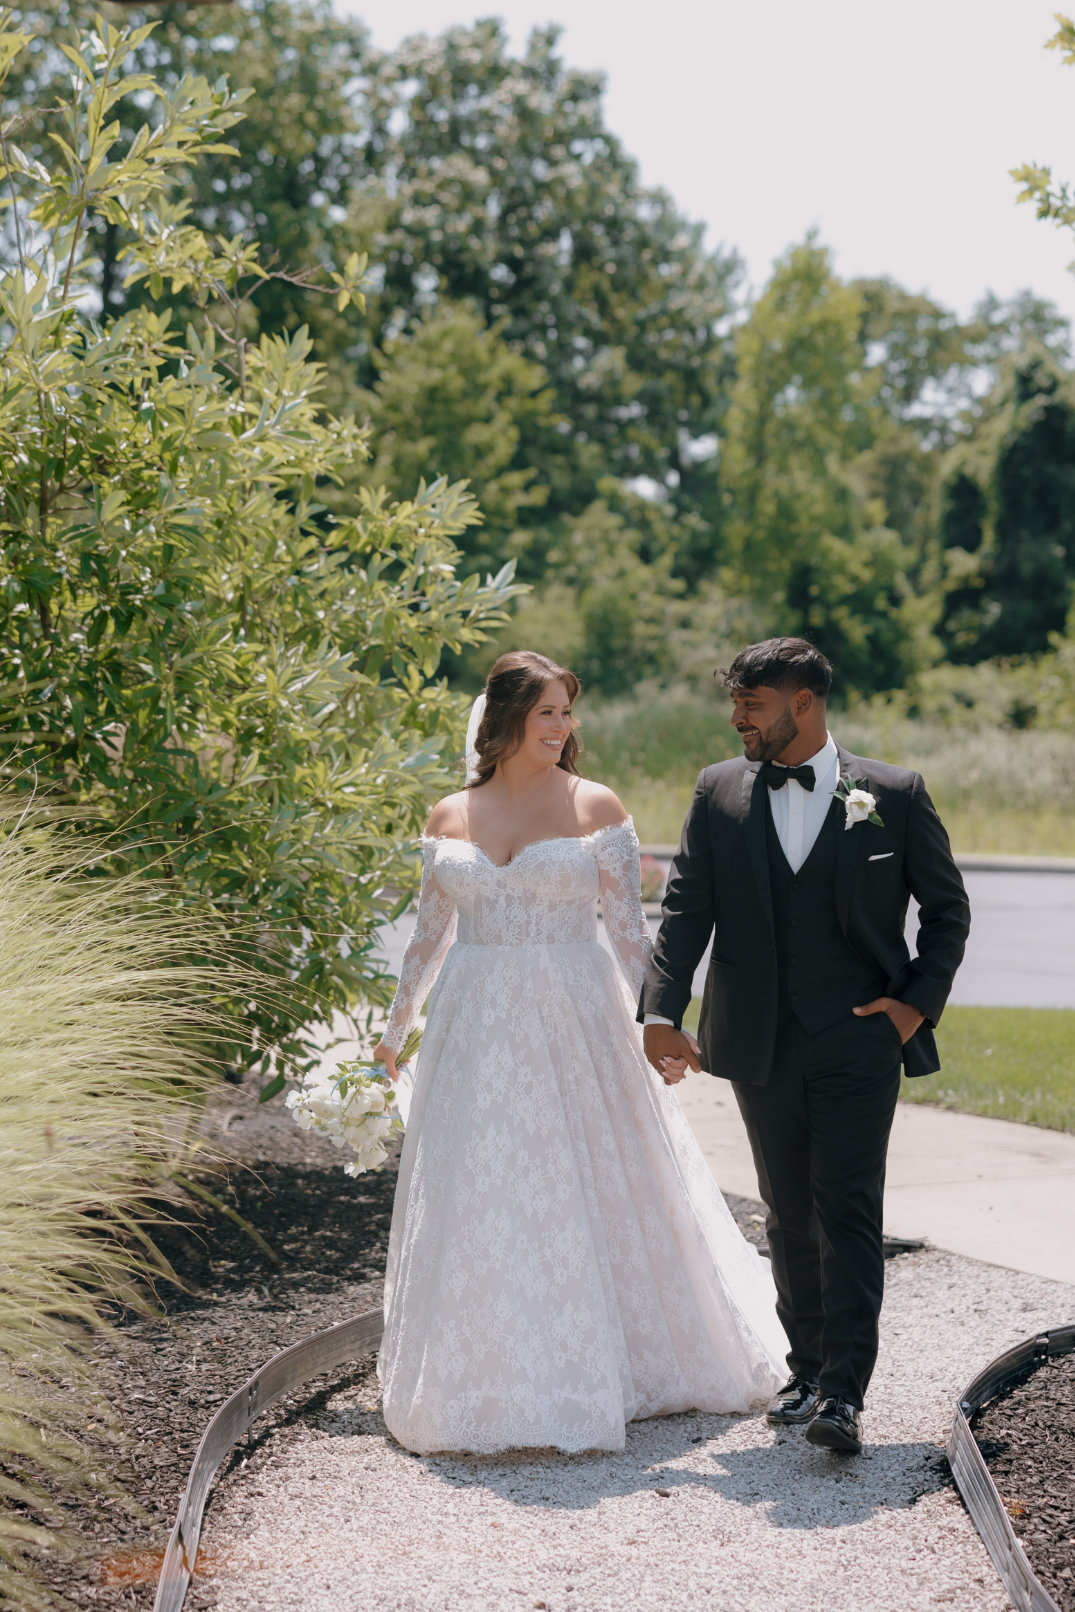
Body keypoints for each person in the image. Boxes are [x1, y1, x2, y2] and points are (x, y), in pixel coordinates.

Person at [372, 649, 786, 1456]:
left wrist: (661, 1021)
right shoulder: (447, 814)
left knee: (589, 1171)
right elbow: (428, 938)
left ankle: (619, 1357)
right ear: (505, 720)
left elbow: (631, 936)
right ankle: (485, 1369)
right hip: (474, 1020)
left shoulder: (594, 805)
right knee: (481, 1181)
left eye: (566, 712)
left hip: (574, 1014)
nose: (562, 727)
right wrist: (393, 1035)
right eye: (547, 713)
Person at [640, 637, 971, 1455]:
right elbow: (685, 909)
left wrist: (911, 1008)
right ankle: (807, 1371)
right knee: (787, 1211)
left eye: (750, 705)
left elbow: (947, 911)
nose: (737, 719)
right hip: (755, 1039)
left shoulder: (892, 794)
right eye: (734, 704)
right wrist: (659, 1012)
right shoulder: (718, 790)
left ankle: (844, 1395)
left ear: (803, 703)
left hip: (858, 1039)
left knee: (845, 1207)